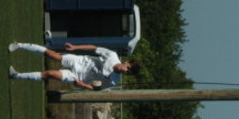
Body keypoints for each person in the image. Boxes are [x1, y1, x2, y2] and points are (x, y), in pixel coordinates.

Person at [8, 42, 140, 91]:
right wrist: (75, 47)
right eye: (128, 68)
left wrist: (82, 85)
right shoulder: (112, 55)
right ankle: (19, 45)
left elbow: (97, 88)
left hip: (78, 76)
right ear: (127, 63)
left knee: (49, 74)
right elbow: (94, 48)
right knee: (51, 54)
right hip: (79, 61)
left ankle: (16, 75)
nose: (126, 71)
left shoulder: (114, 80)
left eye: (128, 73)